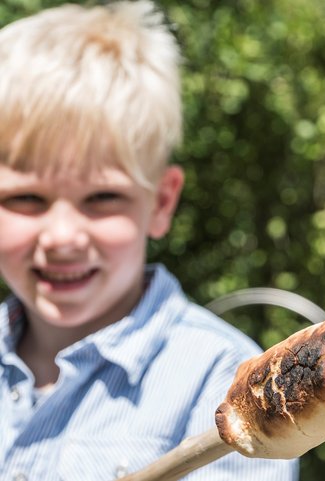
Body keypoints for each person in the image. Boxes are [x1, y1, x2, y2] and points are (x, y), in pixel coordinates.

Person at [0, 2, 298, 480]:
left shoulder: (225, 383)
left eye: (101, 197)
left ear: (160, 203)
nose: (61, 237)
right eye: (26, 198)